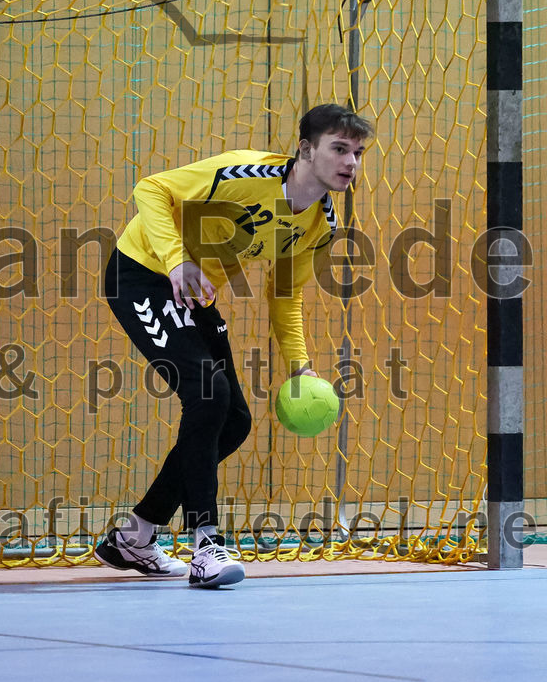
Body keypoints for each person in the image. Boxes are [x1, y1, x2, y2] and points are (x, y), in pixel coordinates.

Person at [94, 104, 373, 588]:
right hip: (142, 273)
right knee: (207, 394)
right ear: (306, 150)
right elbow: (151, 189)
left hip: (191, 292)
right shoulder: (245, 173)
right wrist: (177, 259)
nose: (351, 162)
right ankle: (206, 546)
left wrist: (300, 366)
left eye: (358, 152)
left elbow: (284, 295)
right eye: (339, 149)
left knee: (235, 421)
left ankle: (135, 536)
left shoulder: (318, 226)